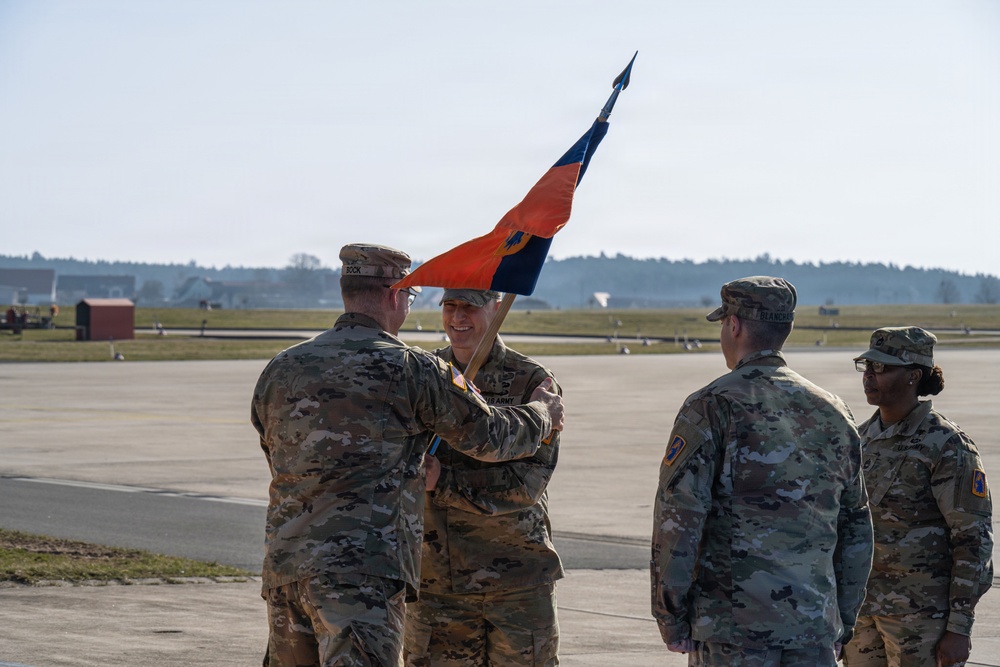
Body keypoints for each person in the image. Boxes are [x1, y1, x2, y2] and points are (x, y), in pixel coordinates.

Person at [251, 244, 565, 667]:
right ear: (394, 295)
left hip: (286, 570)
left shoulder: (281, 367)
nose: (456, 317)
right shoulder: (412, 368)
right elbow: (489, 436)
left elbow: (276, 455)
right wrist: (542, 414)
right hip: (361, 574)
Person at [650, 276, 874, 666]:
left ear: (733, 325)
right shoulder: (834, 411)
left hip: (733, 630)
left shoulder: (712, 405)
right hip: (814, 624)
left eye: (723, 324)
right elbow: (856, 526)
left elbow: (680, 519)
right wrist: (842, 620)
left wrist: (671, 615)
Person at [404, 289, 563, 666]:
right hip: (437, 584)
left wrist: (442, 483)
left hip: (517, 584)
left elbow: (527, 484)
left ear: (496, 306)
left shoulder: (533, 383)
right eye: (450, 305)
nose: (458, 317)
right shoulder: (424, 376)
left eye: (470, 306)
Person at [842, 327, 993, 667]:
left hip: (923, 620)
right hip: (863, 614)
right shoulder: (860, 439)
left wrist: (959, 626)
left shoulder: (947, 444)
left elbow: (973, 539)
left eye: (881, 368)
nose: (868, 376)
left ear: (913, 375)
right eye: (866, 366)